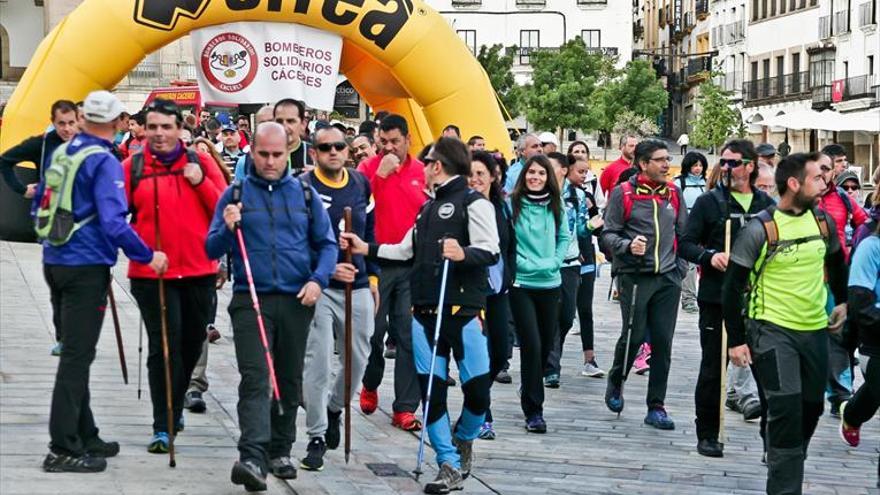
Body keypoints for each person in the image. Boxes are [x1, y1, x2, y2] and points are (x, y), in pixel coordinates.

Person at [342, 136, 499, 493]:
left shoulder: (474, 204)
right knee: (433, 394)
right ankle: (447, 462)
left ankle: (464, 438)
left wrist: (463, 253)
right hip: (425, 313)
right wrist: (365, 247)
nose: (423, 168)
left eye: (427, 162)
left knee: (478, 393)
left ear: (438, 166)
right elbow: (403, 250)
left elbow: (490, 249)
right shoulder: (427, 208)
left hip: (464, 310)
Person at [36, 90, 168, 473]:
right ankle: (61, 447)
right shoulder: (104, 160)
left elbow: (40, 201)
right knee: (77, 357)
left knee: (77, 350)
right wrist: (147, 254)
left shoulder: (64, 151)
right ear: (115, 123)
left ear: (81, 119)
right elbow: (113, 223)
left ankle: (86, 433)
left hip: (55, 259)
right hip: (85, 266)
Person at [206, 122, 337, 490]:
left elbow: (326, 244)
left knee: (289, 377)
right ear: (252, 152)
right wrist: (227, 228)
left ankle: (281, 449)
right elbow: (211, 249)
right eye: (262, 154)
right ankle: (252, 455)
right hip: (251, 297)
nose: (269, 161)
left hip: (297, 298)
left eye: (277, 154)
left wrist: (318, 280)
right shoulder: (234, 193)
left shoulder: (306, 194)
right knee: (256, 377)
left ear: (288, 152)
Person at [723, 152, 848, 494]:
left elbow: (837, 261)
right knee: (786, 408)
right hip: (771, 330)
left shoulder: (823, 222)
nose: (824, 183)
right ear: (793, 184)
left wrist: (843, 301)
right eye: (816, 178)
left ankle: (785, 453)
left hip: (814, 329)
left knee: (812, 407)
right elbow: (732, 287)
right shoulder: (761, 228)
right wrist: (736, 340)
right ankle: (784, 484)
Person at [122, 99, 228, 453]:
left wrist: (200, 183)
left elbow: (223, 210)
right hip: (152, 275)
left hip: (199, 271)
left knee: (190, 343)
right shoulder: (131, 166)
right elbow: (113, 218)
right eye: (152, 127)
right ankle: (162, 423)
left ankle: (176, 399)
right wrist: (140, 253)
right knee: (163, 347)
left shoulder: (201, 163)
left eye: (166, 127)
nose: (158, 134)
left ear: (180, 129)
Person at [679, 140, 774, 458]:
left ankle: (770, 439)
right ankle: (707, 433)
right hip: (717, 297)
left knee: (766, 372)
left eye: (734, 162)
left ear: (750, 165)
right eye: (723, 161)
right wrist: (710, 256)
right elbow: (686, 244)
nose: (726, 167)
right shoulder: (709, 203)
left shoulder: (766, 204)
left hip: (757, 300)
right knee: (712, 368)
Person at [299, 126, 378, 471]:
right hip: (320, 284)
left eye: (339, 146)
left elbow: (371, 232)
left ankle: (335, 407)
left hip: (357, 282)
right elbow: (296, 243)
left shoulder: (360, 184)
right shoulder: (304, 188)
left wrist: (372, 277)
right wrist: (326, 271)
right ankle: (315, 435)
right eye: (325, 147)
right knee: (317, 361)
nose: (333, 151)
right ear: (314, 153)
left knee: (359, 357)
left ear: (348, 150)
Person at [602, 140, 687, 430]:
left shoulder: (674, 193)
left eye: (668, 159)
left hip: (667, 279)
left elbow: (684, 235)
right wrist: (627, 245)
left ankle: (656, 406)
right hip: (635, 277)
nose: (666, 164)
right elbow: (607, 234)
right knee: (634, 337)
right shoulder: (622, 193)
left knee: (663, 343)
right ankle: (617, 381)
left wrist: (680, 268)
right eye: (660, 160)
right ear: (643, 164)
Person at [356, 114, 427, 431]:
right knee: (372, 334)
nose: (388, 148)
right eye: (382, 142)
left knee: (409, 336)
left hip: (411, 265)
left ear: (407, 140)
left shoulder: (422, 172)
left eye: (394, 142)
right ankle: (370, 382)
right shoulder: (367, 170)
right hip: (375, 263)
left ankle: (405, 407)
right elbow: (354, 209)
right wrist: (377, 179)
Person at [0, 99, 79, 356]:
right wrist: (22, 189)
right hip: (53, 224)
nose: (67, 129)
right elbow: (5, 161)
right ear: (53, 123)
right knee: (59, 284)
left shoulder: (90, 147)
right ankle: (64, 337)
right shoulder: (42, 144)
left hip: (85, 225)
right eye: (61, 124)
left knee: (84, 285)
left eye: (71, 123)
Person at [509, 155, 571, 433]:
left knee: (546, 347)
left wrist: (554, 262)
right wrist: (527, 265)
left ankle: (530, 383)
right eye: (530, 172)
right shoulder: (512, 205)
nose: (535, 177)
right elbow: (509, 244)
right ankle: (534, 410)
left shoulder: (556, 207)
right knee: (532, 346)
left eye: (541, 173)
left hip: (551, 283)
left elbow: (564, 238)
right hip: (522, 284)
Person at [817, 150, 868, 418]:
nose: (825, 173)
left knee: (836, 334)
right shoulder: (800, 200)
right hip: (804, 276)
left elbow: (866, 224)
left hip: (837, 275)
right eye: (821, 168)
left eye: (830, 168)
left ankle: (839, 394)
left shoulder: (843, 200)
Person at [468, 150, 516, 440]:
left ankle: (476, 398)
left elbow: (510, 245)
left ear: (492, 178)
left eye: (480, 175)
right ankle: (482, 414)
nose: (475, 180)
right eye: (469, 175)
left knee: (500, 353)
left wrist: (509, 274)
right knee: (477, 356)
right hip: (470, 294)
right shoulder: (459, 208)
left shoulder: (502, 207)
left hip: (498, 289)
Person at [544, 152, 589, 388]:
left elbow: (582, 230)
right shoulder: (539, 197)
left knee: (567, 316)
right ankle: (551, 367)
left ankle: (550, 355)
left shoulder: (577, 196)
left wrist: (593, 225)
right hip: (546, 264)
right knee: (550, 315)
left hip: (571, 263)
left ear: (563, 170)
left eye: (550, 168)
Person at [839, 216, 880, 451]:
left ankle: (853, 415)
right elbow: (860, 305)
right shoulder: (871, 246)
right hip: (875, 343)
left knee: (873, 393)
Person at [566, 157, 605, 376]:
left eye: (586, 172)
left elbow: (595, 230)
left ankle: (590, 360)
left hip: (587, 256)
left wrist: (593, 220)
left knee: (585, 308)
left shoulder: (586, 196)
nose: (584, 175)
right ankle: (550, 360)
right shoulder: (556, 196)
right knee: (563, 314)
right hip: (565, 261)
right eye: (580, 171)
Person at [676, 151, 708, 314]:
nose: (698, 168)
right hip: (687, 229)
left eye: (700, 165)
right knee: (689, 264)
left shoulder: (708, 183)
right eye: (695, 165)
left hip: (706, 229)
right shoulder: (678, 183)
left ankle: (702, 297)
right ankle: (688, 298)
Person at [233, 105, 274, 181]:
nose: (267, 126)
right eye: (262, 123)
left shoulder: (295, 151)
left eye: (271, 121)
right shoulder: (244, 162)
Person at [274, 98, 313, 176]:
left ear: (303, 124)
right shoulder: (261, 154)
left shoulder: (316, 154)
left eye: (290, 121)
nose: (285, 127)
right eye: (279, 121)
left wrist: (319, 176)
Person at [567, 140, 605, 210]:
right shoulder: (563, 179)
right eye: (576, 152)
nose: (580, 154)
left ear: (587, 156)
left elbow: (601, 206)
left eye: (583, 152)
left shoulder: (593, 180)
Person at [599, 134, 639, 199]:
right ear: (622, 147)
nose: (634, 149)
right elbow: (600, 196)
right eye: (631, 146)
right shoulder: (610, 169)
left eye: (636, 146)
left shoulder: (642, 168)